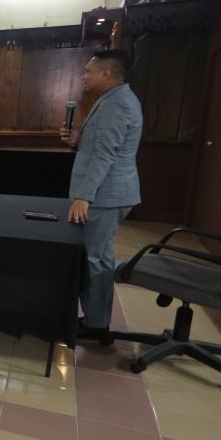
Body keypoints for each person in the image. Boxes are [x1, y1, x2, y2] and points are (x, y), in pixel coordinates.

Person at [62, 48, 143, 342]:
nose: (84, 76)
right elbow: (100, 147)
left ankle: (96, 325)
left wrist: (84, 197)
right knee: (100, 256)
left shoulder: (117, 104)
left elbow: (105, 156)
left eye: (88, 71)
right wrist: (77, 140)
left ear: (106, 72)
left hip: (105, 196)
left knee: (93, 259)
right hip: (109, 193)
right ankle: (97, 319)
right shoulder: (113, 98)